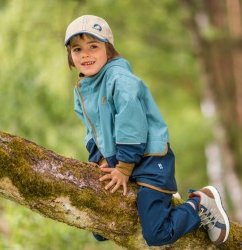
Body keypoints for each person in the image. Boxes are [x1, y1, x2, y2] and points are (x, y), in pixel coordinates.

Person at [64, 15, 230, 246]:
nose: (85, 54)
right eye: (77, 49)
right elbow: (93, 131)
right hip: (120, 160)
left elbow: (132, 125)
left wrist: (123, 167)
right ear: (70, 56)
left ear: (109, 50)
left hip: (149, 158)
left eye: (94, 46)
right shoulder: (83, 89)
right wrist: (101, 160)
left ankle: (199, 204)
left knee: (157, 234)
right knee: (100, 227)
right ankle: (160, 201)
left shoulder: (119, 79)